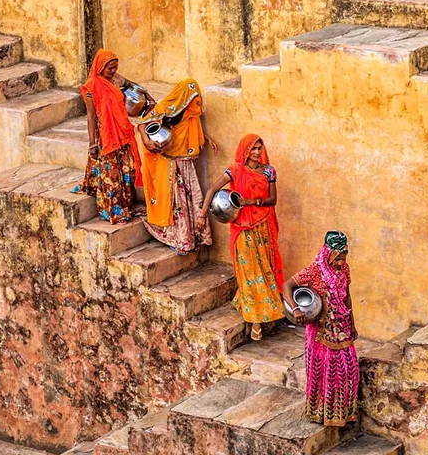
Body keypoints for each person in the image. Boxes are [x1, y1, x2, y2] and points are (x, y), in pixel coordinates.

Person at [200, 134, 284, 341]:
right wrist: (202, 215)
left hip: (262, 225)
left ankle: (261, 305)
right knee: (248, 270)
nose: (256, 152)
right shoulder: (235, 170)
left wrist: (250, 201)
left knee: (263, 267)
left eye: (259, 148)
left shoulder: (268, 171)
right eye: (253, 148)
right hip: (242, 227)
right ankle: (256, 318)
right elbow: (212, 189)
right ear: (245, 150)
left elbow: (272, 200)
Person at [284, 231, 359, 427]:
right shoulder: (315, 271)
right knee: (324, 371)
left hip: (341, 326)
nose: (341, 262)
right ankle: (322, 413)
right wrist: (295, 309)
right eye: (338, 257)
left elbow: (347, 296)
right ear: (328, 253)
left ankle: (342, 414)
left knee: (349, 369)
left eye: (344, 257)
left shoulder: (344, 270)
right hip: (321, 332)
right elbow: (287, 286)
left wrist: (352, 322)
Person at [138, 79, 216, 255]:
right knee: (177, 204)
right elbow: (142, 123)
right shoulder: (167, 108)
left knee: (191, 200)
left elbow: (190, 126)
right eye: (194, 99)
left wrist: (207, 138)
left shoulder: (190, 113)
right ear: (185, 98)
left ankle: (192, 237)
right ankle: (178, 238)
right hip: (172, 165)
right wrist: (146, 140)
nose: (197, 103)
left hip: (187, 164)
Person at [75, 49, 147, 224]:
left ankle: (128, 205)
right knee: (112, 175)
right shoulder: (91, 86)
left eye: (115, 67)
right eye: (110, 68)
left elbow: (135, 87)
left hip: (122, 132)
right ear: (100, 67)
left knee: (128, 170)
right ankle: (113, 211)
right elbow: (91, 116)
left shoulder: (115, 79)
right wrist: (92, 143)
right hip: (106, 136)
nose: (113, 71)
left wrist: (149, 98)